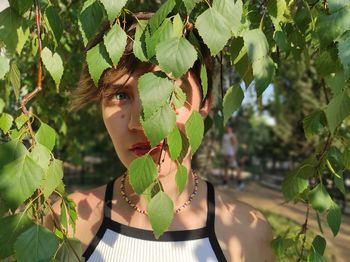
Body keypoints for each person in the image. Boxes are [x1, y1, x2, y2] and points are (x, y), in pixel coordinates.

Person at [48, 13, 275, 262]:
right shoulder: (64, 222)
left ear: (205, 103)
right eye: (121, 96)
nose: (140, 124)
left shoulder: (248, 234)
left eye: (168, 93)